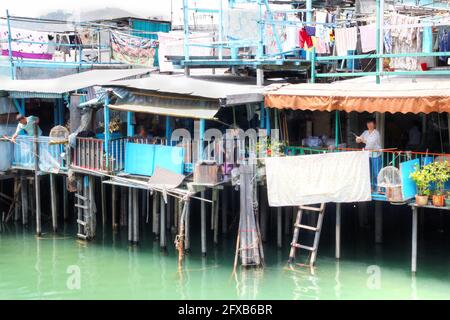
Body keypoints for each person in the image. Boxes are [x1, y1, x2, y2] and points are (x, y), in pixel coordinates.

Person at [356, 118, 382, 191]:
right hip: (368, 155)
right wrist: (358, 139)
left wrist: (362, 140)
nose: (369, 125)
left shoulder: (376, 133)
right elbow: (358, 140)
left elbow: (371, 143)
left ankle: (379, 188)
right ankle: (371, 188)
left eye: (371, 123)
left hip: (376, 155)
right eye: (368, 123)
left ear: (374, 124)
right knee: (369, 172)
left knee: (377, 172)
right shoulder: (365, 132)